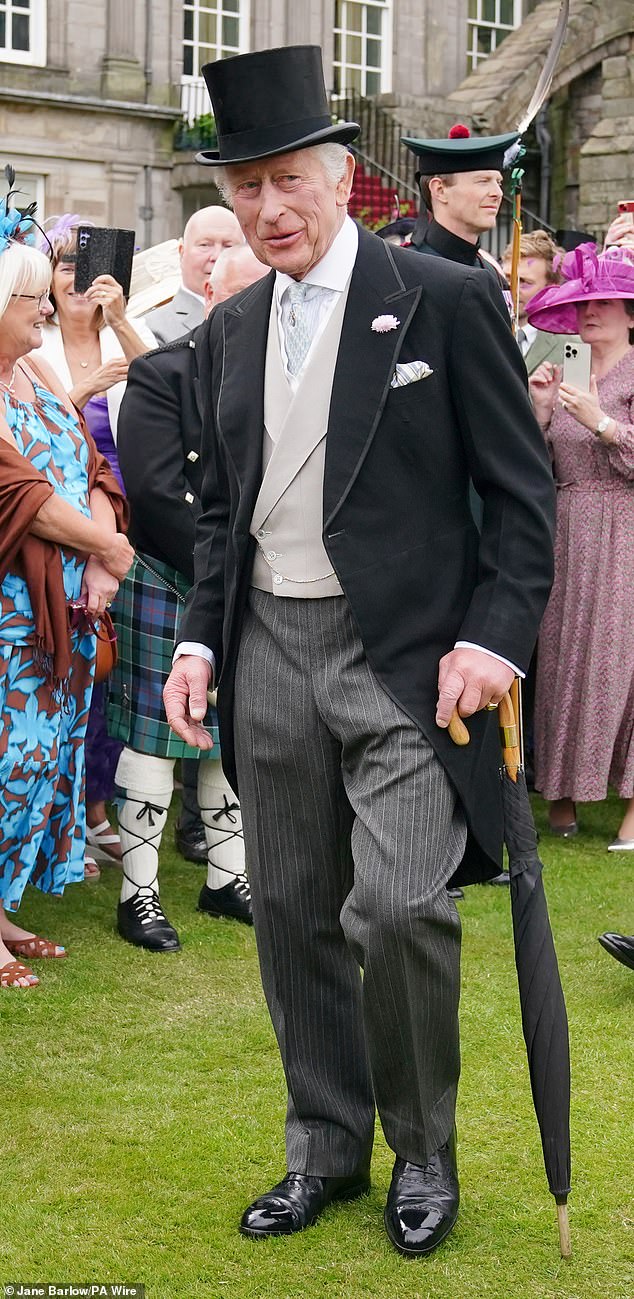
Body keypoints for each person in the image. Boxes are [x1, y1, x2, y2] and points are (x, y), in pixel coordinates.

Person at [163, 45, 555, 1256]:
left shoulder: (437, 299)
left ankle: (422, 1153)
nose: (268, 209)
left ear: (343, 178)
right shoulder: (229, 331)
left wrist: (494, 638)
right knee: (288, 911)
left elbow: (520, 493)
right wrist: (194, 641)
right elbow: (224, 512)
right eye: (245, 189)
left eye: (289, 180)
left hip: (404, 662)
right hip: (267, 646)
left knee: (395, 908)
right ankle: (322, 1149)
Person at [109, 244, 268, 950]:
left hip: (249, 578)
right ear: (209, 293)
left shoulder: (278, 377)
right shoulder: (160, 371)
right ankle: (136, 893)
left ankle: (226, 879)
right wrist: (221, 570)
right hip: (174, 574)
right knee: (155, 733)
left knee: (224, 730)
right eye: (239, 297)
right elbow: (152, 489)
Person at [0, 198, 132, 989]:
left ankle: (2, 909)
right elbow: (20, 494)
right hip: (12, 617)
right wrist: (107, 544)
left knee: (43, 764)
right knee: (3, 762)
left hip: (67, 620)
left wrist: (106, 547)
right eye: (30, 299)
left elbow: (85, 463)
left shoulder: (36, 369)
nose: (48, 306)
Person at [38, 215, 155, 875]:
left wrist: (122, 321)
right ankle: (65, 818)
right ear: (47, 283)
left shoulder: (127, 340)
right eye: (64, 267)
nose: (77, 282)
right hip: (59, 528)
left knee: (117, 679)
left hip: (132, 530)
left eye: (87, 269)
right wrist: (84, 390)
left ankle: (98, 810)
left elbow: (174, 389)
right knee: (70, 674)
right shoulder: (34, 348)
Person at [527, 244, 634, 846]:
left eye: (606, 302)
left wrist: (603, 422)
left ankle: (630, 811)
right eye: (585, 301)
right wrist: (542, 413)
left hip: (626, 530)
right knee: (564, 659)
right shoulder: (563, 365)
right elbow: (535, 464)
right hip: (567, 530)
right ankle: (562, 797)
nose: (593, 312)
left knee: (623, 663)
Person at [401, 123, 518, 312]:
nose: (497, 193)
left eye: (498, 182)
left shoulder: (492, 274)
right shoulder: (404, 270)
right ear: (440, 190)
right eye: (483, 182)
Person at [143, 206, 244, 345]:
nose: (217, 256)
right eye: (205, 245)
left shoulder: (267, 313)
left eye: (228, 246)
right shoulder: (150, 328)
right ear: (181, 252)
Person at [501, 230, 567, 374]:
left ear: (550, 288)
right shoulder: (483, 329)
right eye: (507, 278)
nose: (512, 289)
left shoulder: (570, 345)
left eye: (524, 282)